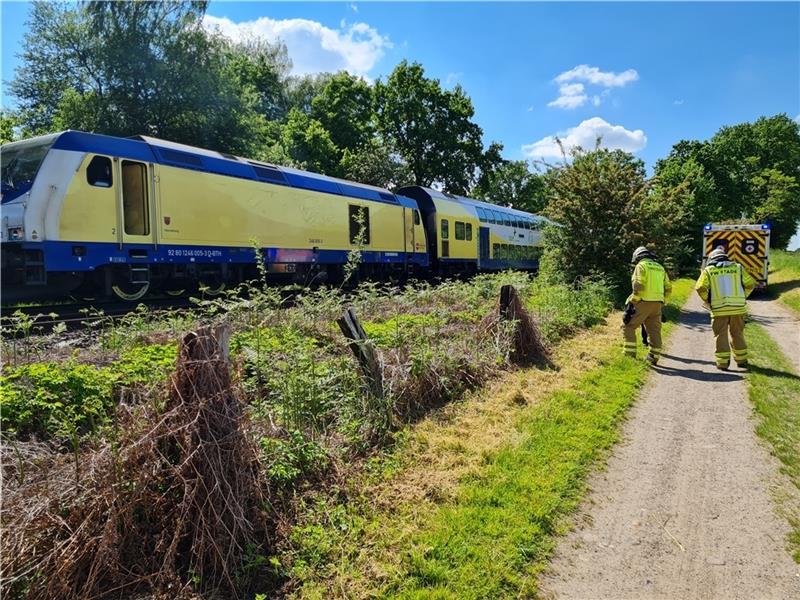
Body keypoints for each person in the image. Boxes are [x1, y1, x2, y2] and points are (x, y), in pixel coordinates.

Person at [695, 246, 756, 370]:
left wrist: (707, 300)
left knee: (720, 335)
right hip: (738, 309)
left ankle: (723, 363)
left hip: (718, 309)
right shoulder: (738, 268)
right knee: (737, 333)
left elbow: (700, 287)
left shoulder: (708, 270)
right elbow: (750, 284)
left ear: (712, 259)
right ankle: (742, 360)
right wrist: (742, 296)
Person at [623, 246, 672, 365]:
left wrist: (633, 302)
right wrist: (664, 302)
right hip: (657, 304)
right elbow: (668, 288)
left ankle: (629, 356)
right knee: (654, 330)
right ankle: (653, 357)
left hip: (643, 301)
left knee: (627, 326)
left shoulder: (641, 266)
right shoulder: (660, 268)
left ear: (638, 257)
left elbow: (638, 285)